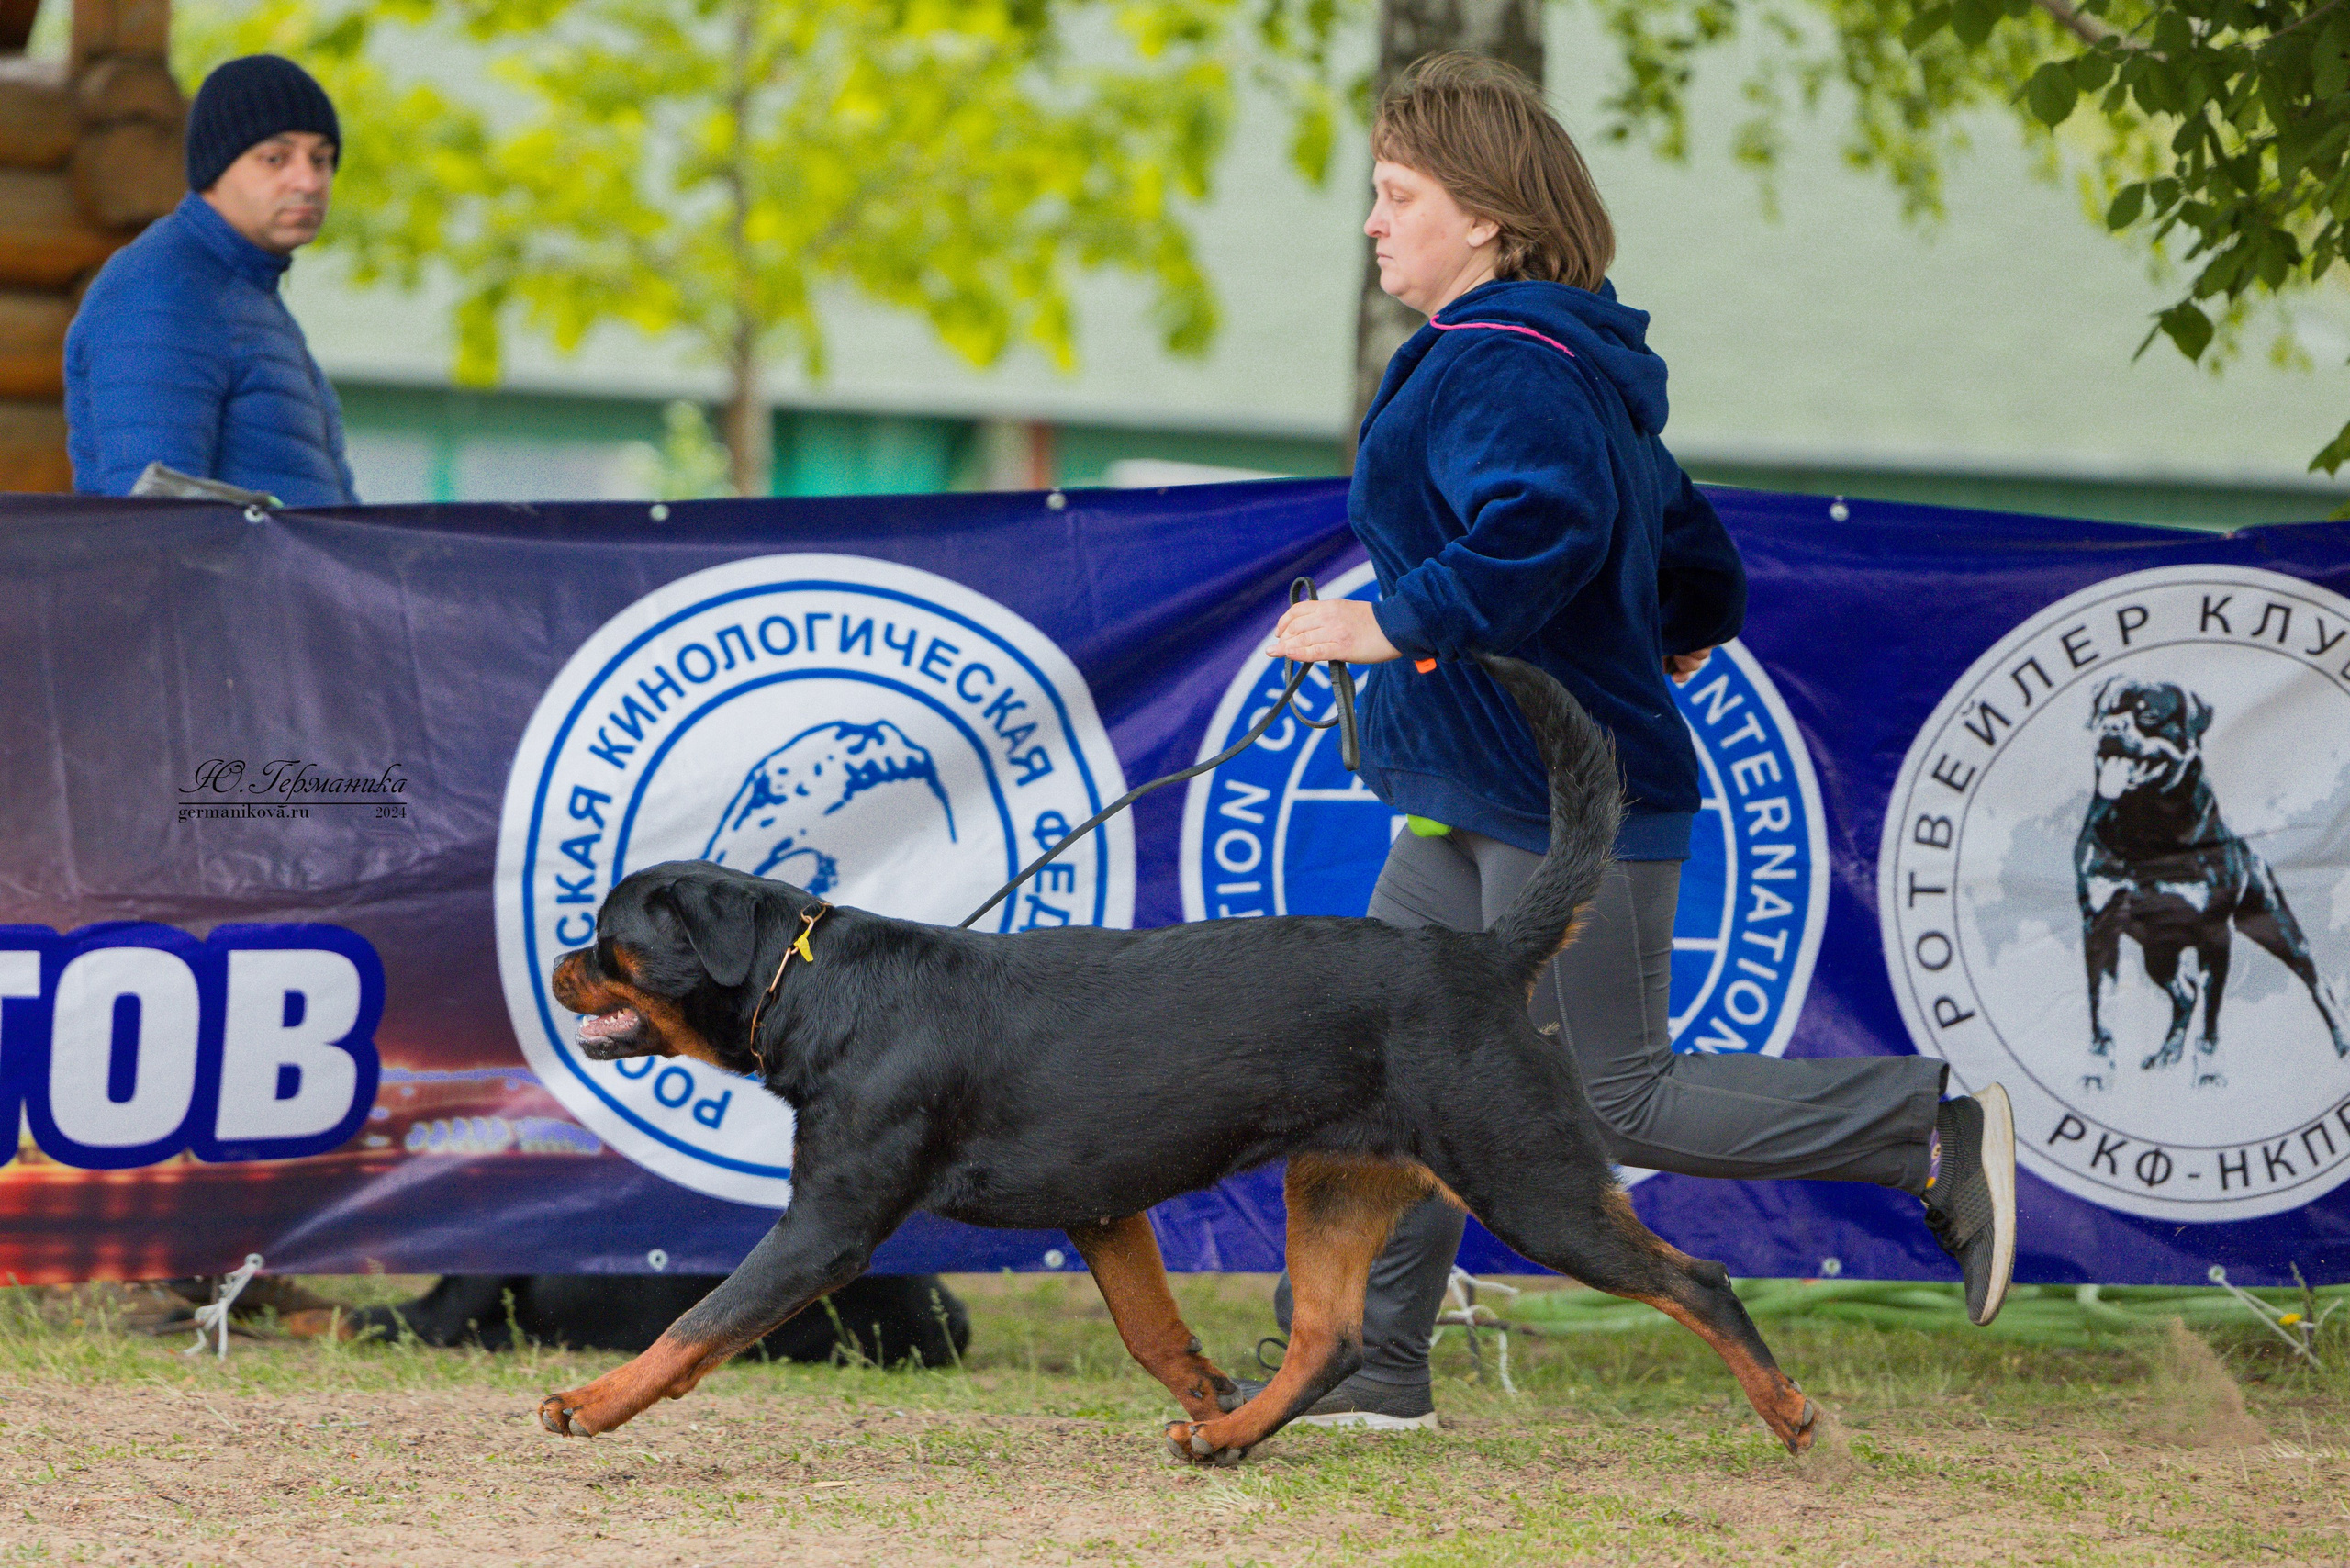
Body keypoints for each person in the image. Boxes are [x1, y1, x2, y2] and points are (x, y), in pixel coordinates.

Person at [1250, 52, 2017, 1430]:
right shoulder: (1559, 358)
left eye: (1398, 194)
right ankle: (1371, 1363)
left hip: (1565, 802)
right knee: (1388, 1073)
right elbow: (1692, 556)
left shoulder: (1503, 362)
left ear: (1484, 216)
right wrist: (1667, 623)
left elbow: (1543, 525)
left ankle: (1924, 1129)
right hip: (1473, 790)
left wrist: (1388, 621)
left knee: (1619, 1099)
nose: (1372, 222)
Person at [65, 54, 358, 505]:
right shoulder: (164, 291)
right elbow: (157, 520)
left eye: (321, 159)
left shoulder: (247, 293)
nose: (309, 180)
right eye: (275, 158)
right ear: (214, 169)